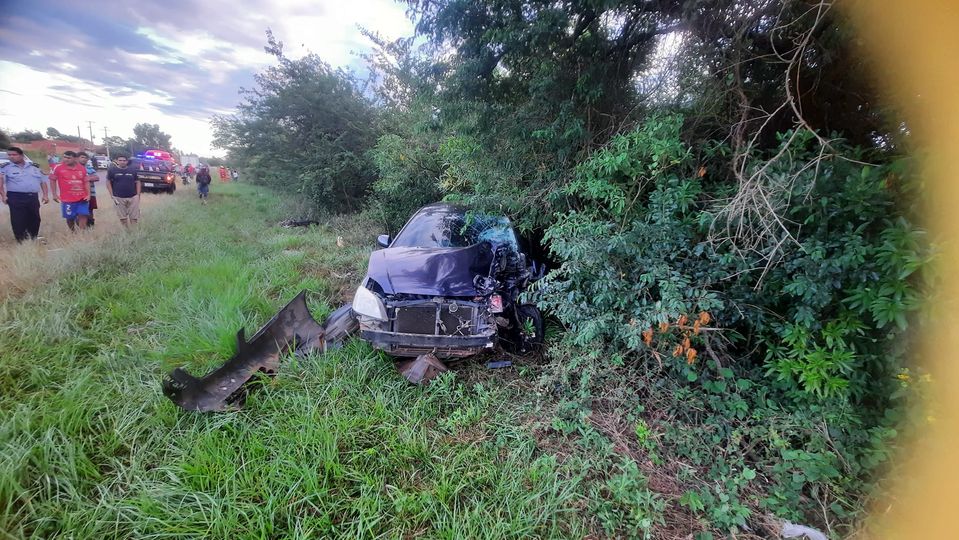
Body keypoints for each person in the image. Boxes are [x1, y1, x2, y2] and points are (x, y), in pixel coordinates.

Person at [0, 146, 50, 242]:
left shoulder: (34, 166)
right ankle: (21, 241)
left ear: (22, 155)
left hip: (32, 197)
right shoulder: (5, 168)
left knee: (35, 219)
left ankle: (33, 238)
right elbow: (0, 182)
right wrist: (3, 195)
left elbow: (42, 181)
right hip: (15, 197)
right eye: (9, 155)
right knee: (18, 220)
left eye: (14, 155)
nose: (11, 157)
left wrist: (45, 195)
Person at [49, 151, 90, 231]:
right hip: (67, 199)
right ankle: (72, 231)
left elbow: (86, 181)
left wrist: (88, 195)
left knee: (83, 214)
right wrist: (54, 194)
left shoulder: (82, 168)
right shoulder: (58, 167)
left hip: (82, 197)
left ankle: (82, 233)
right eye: (65, 157)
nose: (66, 159)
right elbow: (52, 180)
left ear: (75, 159)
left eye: (69, 158)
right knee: (70, 217)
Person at [105, 155, 142, 227]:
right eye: (120, 160)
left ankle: (134, 232)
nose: (122, 162)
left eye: (124, 160)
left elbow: (137, 182)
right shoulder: (112, 170)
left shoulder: (133, 170)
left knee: (134, 217)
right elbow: (108, 182)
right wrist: (112, 195)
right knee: (122, 217)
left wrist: (138, 195)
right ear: (117, 161)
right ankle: (126, 232)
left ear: (127, 161)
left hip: (133, 197)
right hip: (118, 197)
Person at [76, 152, 100, 227]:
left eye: (85, 158)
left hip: (91, 193)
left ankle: (90, 227)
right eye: (82, 157)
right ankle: (81, 228)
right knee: (79, 213)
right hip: (77, 194)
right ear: (77, 158)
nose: (84, 159)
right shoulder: (74, 169)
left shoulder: (89, 168)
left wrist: (86, 178)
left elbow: (96, 178)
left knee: (90, 211)